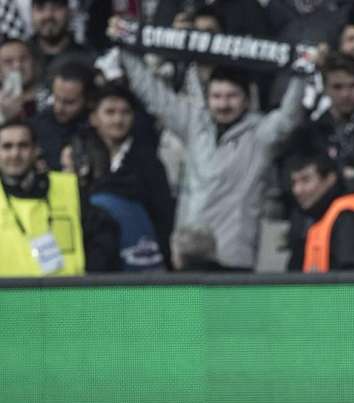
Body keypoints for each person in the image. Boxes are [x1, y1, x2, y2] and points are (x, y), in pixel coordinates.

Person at [108, 16, 307, 270]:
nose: (223, 104)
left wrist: (302, 71)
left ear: (246, 100)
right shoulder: (194, 123)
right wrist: (125, 48)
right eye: (217, 96)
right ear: (208, 97)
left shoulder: (260, 134)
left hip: (234, 258)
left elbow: (289, 116)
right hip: (188, 254)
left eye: (232, 96)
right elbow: (153, 94)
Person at [62, 84, 174, 271]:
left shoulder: (148, 160)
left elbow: (163, 214)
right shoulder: (78, 154)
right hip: (93, 252)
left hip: (138, 254)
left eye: (125, 112)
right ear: (94, 118)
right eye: (110, 112)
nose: (118, 119)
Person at [0, 120, 118, 276]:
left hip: (66, 295)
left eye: (23, 146)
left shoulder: (68, 187)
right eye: (7, 146)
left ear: (36, 150)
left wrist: (90, 278)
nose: (15, 154)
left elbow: (103, 234)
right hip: (9, 298)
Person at [283, 151, 354, 273]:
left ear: (330, 179)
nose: (297, 190)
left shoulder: (350, 215)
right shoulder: (320, 217)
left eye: (306, 180)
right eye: (294, 182)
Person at [288, 52, 354, 203]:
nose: (346, 94)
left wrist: (330, 178)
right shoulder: (309, 133)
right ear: (325, 88)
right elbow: (299, 185)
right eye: (338, 87)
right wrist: (343, 174)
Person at [30, 59, 93, 171]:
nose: (59, 108)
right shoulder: (37, 125)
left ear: (88, 100)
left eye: (69, 102)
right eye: (56, 98)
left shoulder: (97, 128)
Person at [30, 0, 93, 84]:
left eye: (56, 7)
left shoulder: (88, 58)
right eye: (40, 8)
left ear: (70, 12)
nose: (48, 15)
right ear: (31, 14)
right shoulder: (18, 57)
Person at [0, 39, 40, 122]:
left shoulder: (53, 100)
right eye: (8, 61)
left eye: (23, 59)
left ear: (34, 63)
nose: (18, 66)